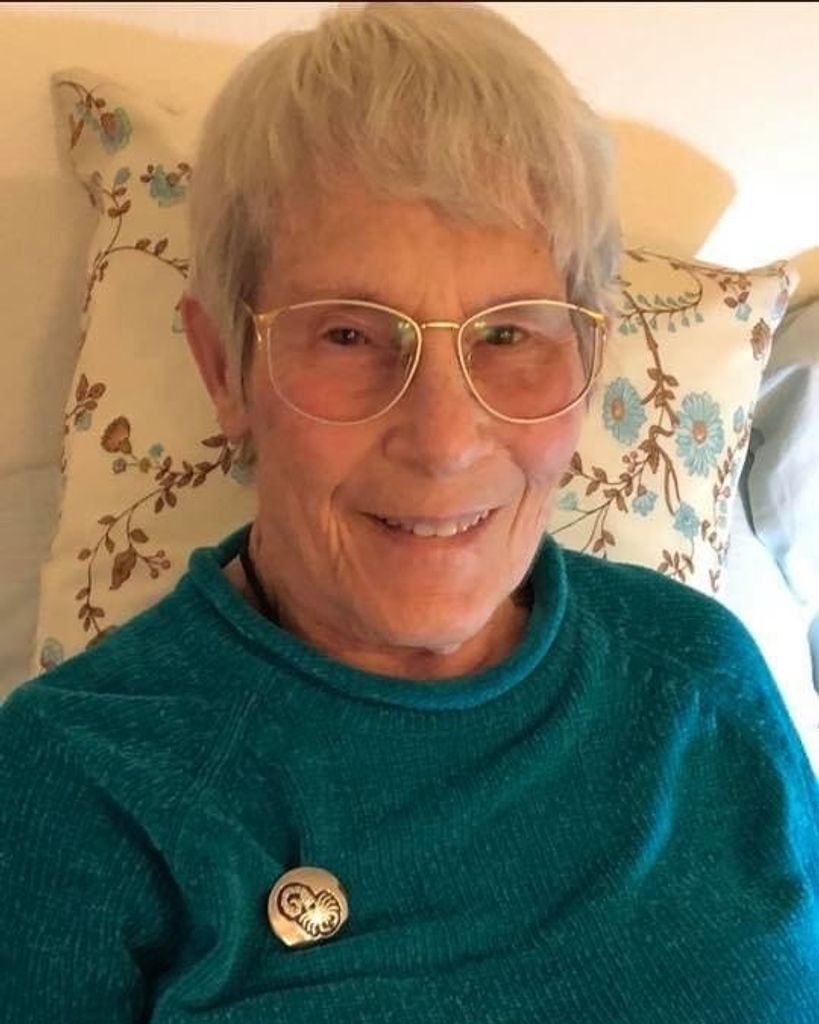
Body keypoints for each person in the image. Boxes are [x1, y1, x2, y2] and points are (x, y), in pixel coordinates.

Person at [1, 3, 817, 1021]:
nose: (442, 441)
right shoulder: (74, 784)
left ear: (588, 359)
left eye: (509, 335)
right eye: (348, 334)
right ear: (223, 368)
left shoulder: (700, 677)